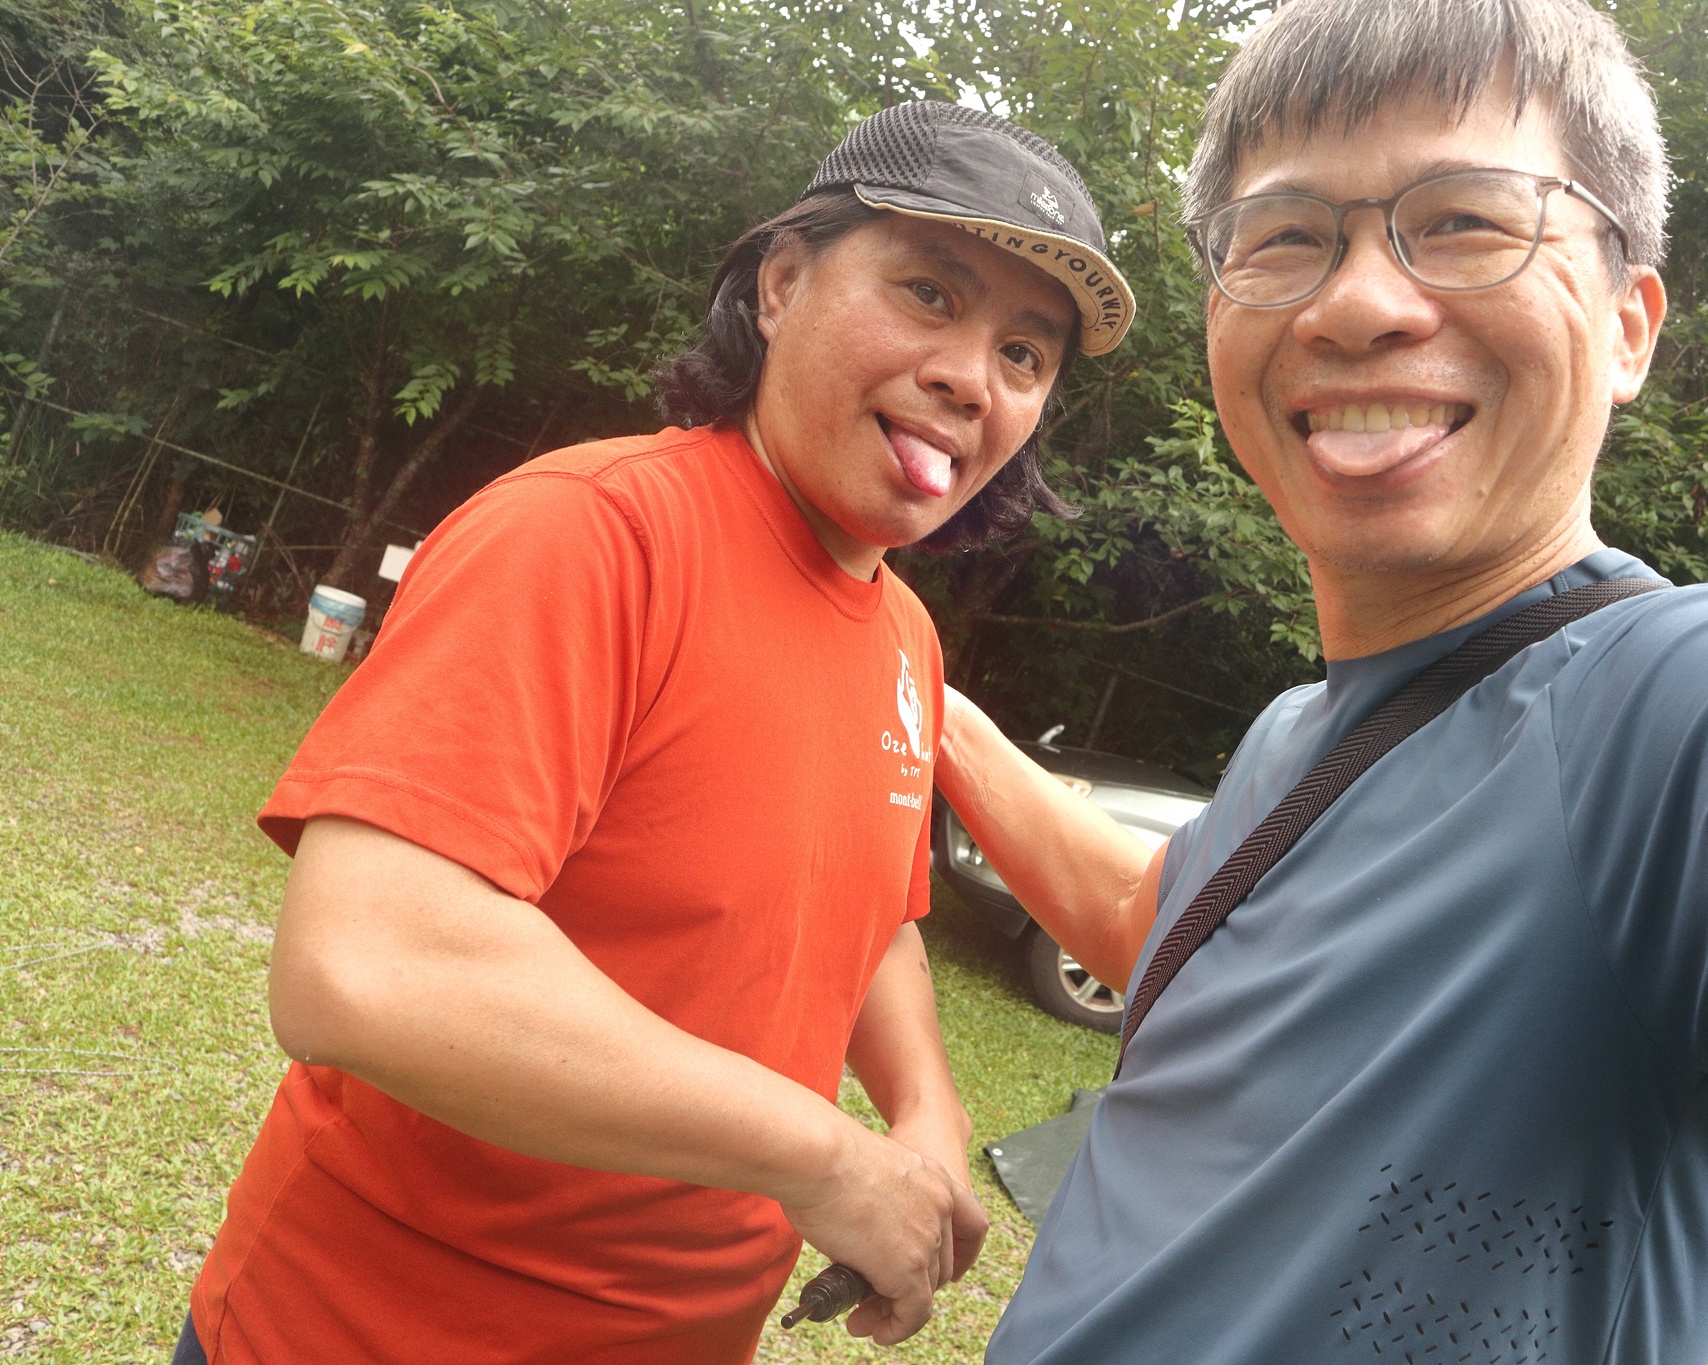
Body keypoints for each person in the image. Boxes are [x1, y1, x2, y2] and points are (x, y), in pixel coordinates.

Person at [932, 1, 1708, 1361]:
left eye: (1463, 219)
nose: (1354, 302)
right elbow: (1147, 922)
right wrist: (921, 690)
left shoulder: (1686, 712)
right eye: (1283, 237)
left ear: (1629, 327)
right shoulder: (1296, 735)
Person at [172, 101, 1132, 1365]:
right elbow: (370, 964)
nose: (971, 377)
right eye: (928, 294)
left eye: (1023, 353)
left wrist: (926, 1113)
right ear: (781, 285)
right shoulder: (589, 535)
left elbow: (865, 920)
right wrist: (820, 1155)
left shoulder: (902, 638)